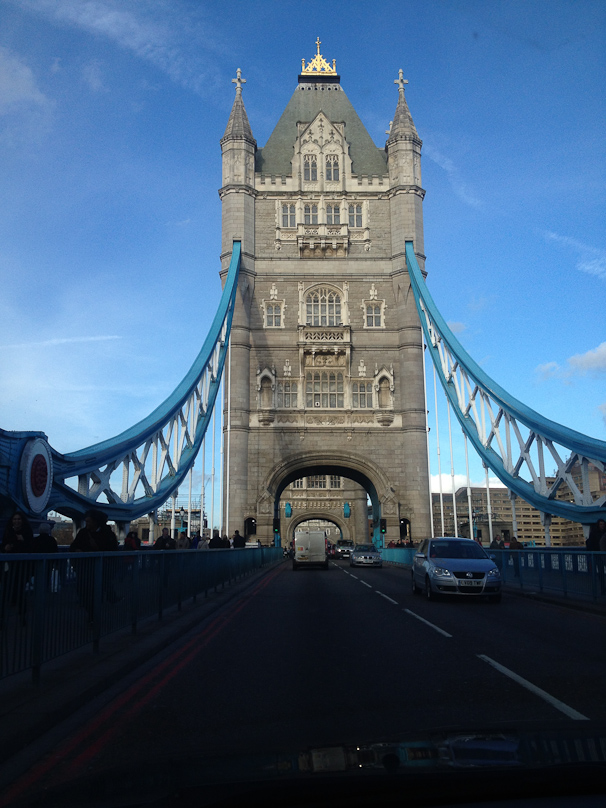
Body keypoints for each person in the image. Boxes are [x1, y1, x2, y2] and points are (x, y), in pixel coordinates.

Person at [71, 509, 120, 618]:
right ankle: (93, 612)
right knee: (83, 591)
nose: (86, 524)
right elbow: (73, 547)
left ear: (95, 522)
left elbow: (113, 551)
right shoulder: (83, 533)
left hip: (101, 569)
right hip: (84, 568)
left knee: (94, 592)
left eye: (88, 521)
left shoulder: (107, 534)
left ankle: (93, 616)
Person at [1, 511, 36, 624]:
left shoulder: (27, 532)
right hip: (10, 566)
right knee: (5, 591)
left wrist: (23, 540)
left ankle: (22, 616)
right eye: (15, 519)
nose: (17, 521)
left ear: (22, 521)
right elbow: (3, 546)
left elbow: (31, 548)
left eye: (19, 519)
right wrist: (5, 548)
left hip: (22, 566)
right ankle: (2, 618)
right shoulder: (8, 531)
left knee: (20, 591)